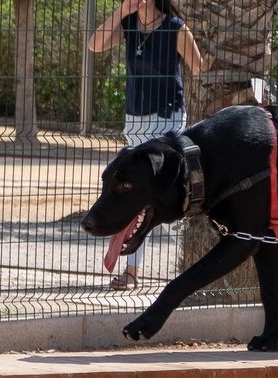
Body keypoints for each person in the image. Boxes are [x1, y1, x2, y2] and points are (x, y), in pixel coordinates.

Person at [88, 0, 203, 290]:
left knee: (167, 193)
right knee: (133, 197)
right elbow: (94, 45)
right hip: (135, 119)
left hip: (167, 119)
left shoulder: (176, 28)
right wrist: (120, 13)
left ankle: (178, 269)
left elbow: (199, 68)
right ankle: (131, 272)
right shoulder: (127, 25)